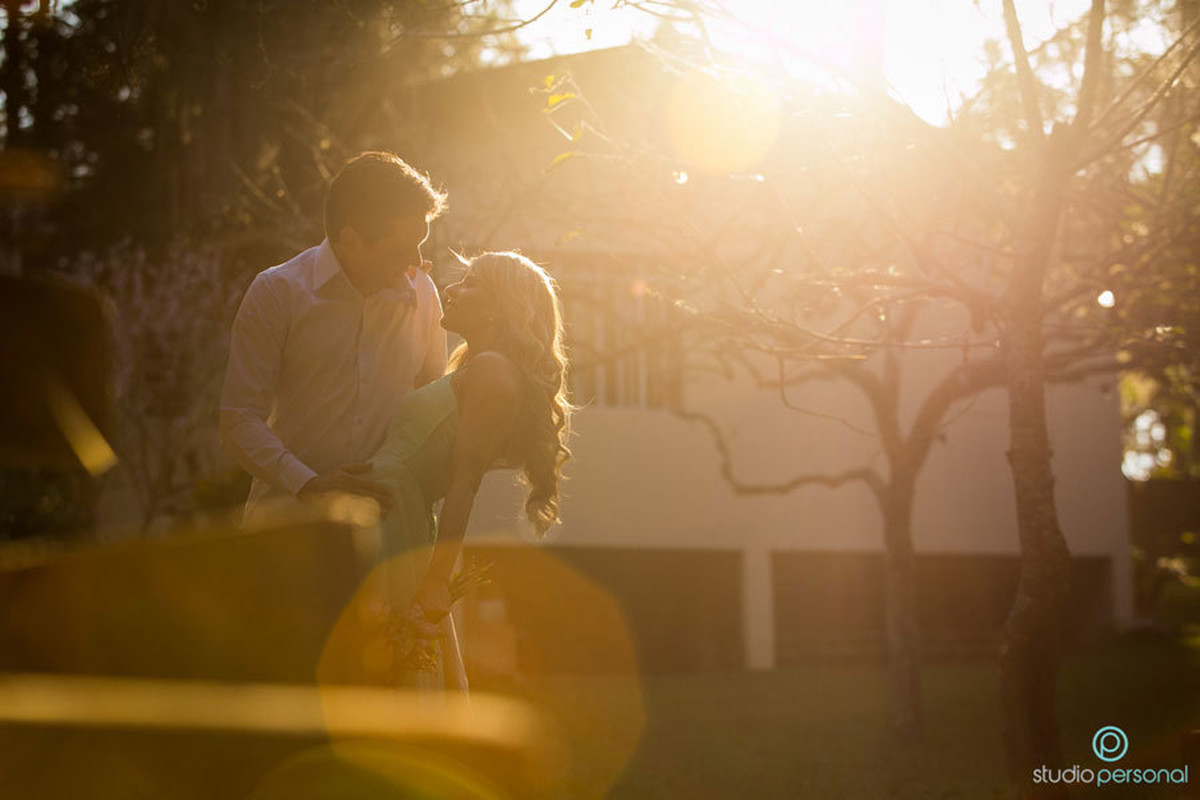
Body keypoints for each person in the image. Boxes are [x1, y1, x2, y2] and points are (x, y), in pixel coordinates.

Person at [219, 151, 467, 689]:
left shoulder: (423, 296)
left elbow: (432, 412)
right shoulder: (278, 292)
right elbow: (238, 420)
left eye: (421, 244)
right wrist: (310, 483)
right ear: (350, 239)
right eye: (403, 248)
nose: (417, 262)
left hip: (389, 548)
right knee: (287, 699)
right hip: (287, 538)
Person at [365, 250, 573, 689]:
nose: (452, 289)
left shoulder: (493, 372)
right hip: (382, 508)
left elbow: (465, 483)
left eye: (471, 283)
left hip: (396, 521)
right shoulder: (475, 367)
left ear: (500, 306)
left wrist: (436, 582)